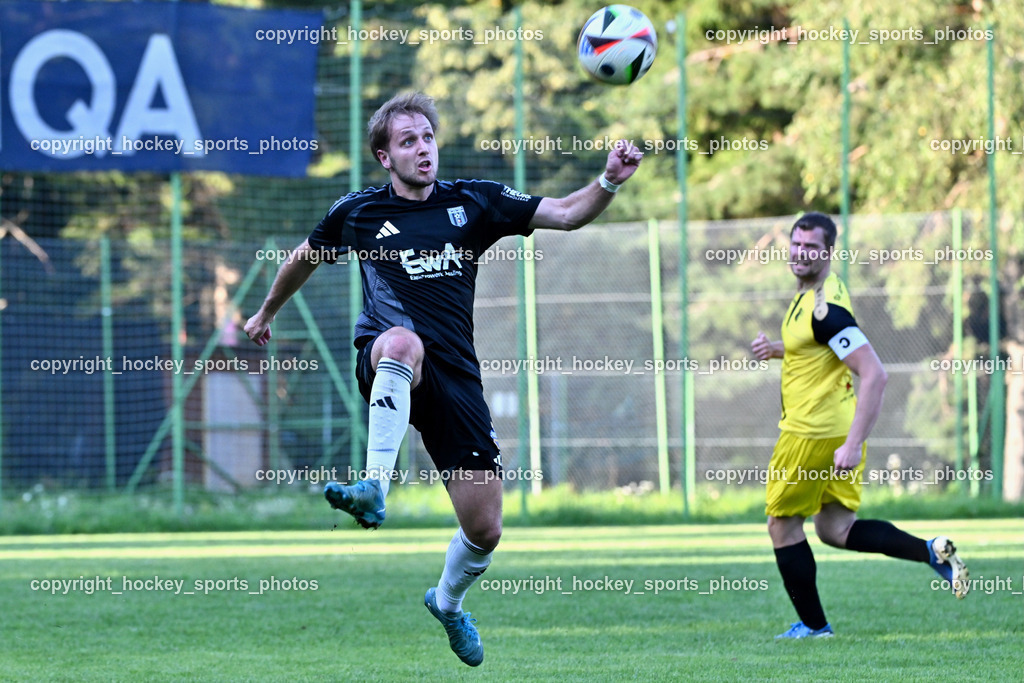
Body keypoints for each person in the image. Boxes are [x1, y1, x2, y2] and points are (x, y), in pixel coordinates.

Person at [244, 91, 643, 666]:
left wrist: (609, 180)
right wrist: (266, 312)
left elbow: (565, 213)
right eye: (408, 141)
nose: (423, 149)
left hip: (456, 378)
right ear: (386, 157)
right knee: (403, 340)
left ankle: (448, 604)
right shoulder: (358, 210)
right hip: (389, 358)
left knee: (486, 529)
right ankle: (374, 487)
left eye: (428, 137)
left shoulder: (475, 201)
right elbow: (304, 256)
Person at [751, 212, 969, 640]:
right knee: (835, 529)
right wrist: (779, 350)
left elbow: (875, 373)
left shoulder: (826, 309)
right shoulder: (818, 295)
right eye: (797, 244)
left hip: (812, 434)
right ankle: (930, 554)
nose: (801, 253)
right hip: (834, 430)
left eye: (812, 247)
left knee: (782, 524)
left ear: (829, 252)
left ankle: (814, 628)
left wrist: (852, 445)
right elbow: (820, 349)